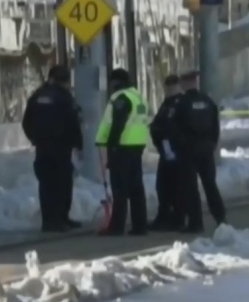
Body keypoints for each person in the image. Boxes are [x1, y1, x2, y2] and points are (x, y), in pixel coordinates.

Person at [21, 65, 83, 232]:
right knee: (62, 183)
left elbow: (26, 121)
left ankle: (49, 220)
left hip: (42, 147)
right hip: (61, 147)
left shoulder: (37, 96)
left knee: (46, 184)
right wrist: (78, 143)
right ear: (64, 81)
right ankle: (61, 218)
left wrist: (34, 138)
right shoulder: (65, 97)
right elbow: (73, 122)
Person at [94, 68, 150, 236]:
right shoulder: (138, 97)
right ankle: (140, 225)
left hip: (122, 146)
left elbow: (118, 124)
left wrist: (111, 145)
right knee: (136, 188)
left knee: (120, 189)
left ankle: (117, 226)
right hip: (137, 146)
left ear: (116, 82)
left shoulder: (121, 98)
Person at [171, 70, 226, 233]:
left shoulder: (181, 103)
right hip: (206, 149)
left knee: (191, 187)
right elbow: (216, 127)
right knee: (210, 185)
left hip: (188, 150)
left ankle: (195, 223)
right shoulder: (208, 102)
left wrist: (179, 146)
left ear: (186, 84)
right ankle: (221, 218)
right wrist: (211, 144)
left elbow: (174, 127)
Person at [149, 74, 185, 231]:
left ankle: (177, 216)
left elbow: (172, 127)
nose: (168, 89)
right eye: (167, 86)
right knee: (162, 186)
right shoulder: (167, 103)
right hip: (165, 150)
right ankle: (164, 215)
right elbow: (159, 124)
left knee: (176, 186)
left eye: (171, 86)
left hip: (177, 151)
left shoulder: (180, 103)